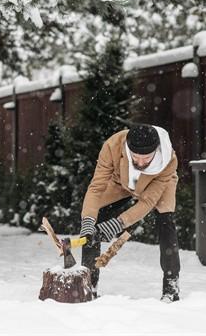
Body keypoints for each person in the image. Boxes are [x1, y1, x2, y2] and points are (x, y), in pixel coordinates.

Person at [77, 124, 181, 302]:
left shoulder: (168, 160)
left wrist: (118, 224)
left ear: (156, 151)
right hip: (121, 183)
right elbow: (96, 188)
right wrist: (88, 222)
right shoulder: (113, 146)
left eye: (147, 158)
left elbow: (147, 201)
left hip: (157, 186)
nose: (140, 163)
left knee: (166, 222)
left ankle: (171, 286)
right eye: (135, 157)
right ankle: (89, 285)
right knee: (92, 222)